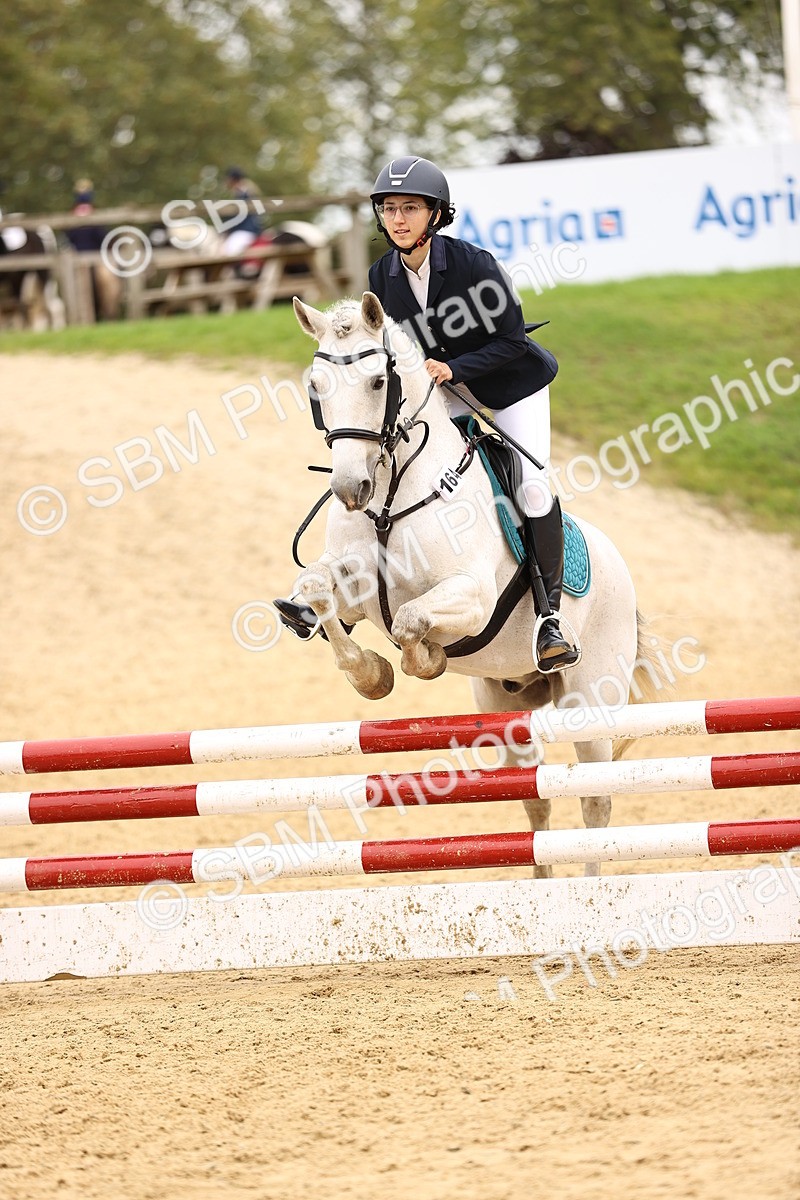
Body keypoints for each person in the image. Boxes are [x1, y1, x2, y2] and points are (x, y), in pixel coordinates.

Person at [276, 155, 578, 673]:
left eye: (410, 209)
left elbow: (510, 340)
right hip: (441, 391)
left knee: (530, 483)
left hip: (508, 385)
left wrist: (453, 367)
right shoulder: (381, 275)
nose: (398, 219)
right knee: (394, 460)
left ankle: (550, 616)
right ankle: (348, 595)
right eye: (390, 209)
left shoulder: (473, 265)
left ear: (435, 214)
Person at [221, 166, 263, 255]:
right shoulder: (244, 193)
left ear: (233, 179)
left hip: (245, 231)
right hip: (244, 230)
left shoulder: (244, 195)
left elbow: (239, 217)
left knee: (226, 253)